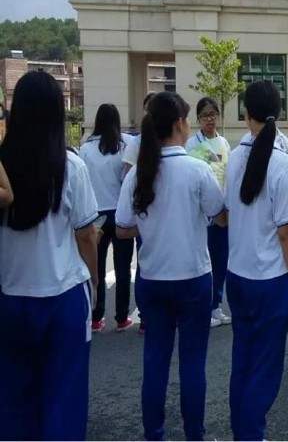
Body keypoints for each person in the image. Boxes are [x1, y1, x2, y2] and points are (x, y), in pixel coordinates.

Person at [116, 91, 227, 441]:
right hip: (194, 278)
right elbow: (220, 217)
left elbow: (121, 228)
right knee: (193, 364)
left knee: (155, 364)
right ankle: (194, 434)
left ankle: (155, 435)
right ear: (180, 123)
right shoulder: (197, 169)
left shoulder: (139, 174)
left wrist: (150, 224)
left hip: (152, 279)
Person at [0, 71, 99, 440]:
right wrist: (94, 284)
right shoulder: (70, 166)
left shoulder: (2, 166)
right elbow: (87, 235)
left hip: (10, 296)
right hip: (62, 298)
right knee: (64, 401)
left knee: (13, 402)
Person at [225, 80, 288, 440]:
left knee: (242, 360)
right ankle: (251, 433)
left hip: (238, 277)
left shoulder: (232, 158)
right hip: (270, 281)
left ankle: (243, 431)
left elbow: (226, 213)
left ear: (246, 115)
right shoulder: (281, 165)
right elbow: (287, 233)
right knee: (265, 366)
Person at [80, 103, 136, 332]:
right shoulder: (126, 144)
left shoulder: (86, 148)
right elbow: (129, 178)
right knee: (123, 267)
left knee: (97, 267)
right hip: (121, 212)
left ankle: (95, 317)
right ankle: (122, 317)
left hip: (96, 215)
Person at [185, 97, 233, 328]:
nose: (210, 119)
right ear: (198, 119)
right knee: (203, 263)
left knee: (220, 261)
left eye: (213, 114)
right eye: (205, 115)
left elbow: (229, 174)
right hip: (200, 215)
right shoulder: (192, 144)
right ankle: (203, 307)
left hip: (222, 213)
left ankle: (215, 305)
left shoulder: (224, 143)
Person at [124, 91, 155, 334]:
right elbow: (128, 175)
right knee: (145, 264)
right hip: (145, 214)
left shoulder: (173, 144)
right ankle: (145, 315)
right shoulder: (136, 143)